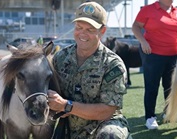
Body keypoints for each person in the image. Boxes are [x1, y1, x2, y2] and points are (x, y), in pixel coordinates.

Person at [48, 1, 132, 139]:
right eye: (79, 27)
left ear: (102, 31)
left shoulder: (113, 65)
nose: (82, 34)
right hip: (69, 127)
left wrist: (66, 106)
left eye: (90, 30)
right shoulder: (60, 58)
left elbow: (107, 111)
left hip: (103, 125)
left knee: (111, 135)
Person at [132, 0, 177, 130]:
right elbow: (135, 27)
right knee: (152, 86)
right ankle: (150, 117)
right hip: (152, 53)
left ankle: (168, 113)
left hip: (175, 55)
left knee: (170, 86)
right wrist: (143, 41)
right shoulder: (148, 10)